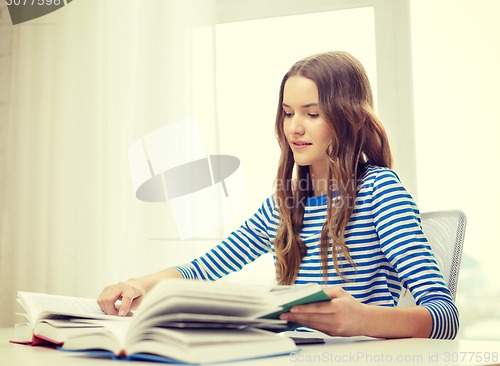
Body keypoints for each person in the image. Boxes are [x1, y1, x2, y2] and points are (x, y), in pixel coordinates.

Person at [98, 51, 458, 339]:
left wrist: (361, 320)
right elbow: (204, 268)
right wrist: (139, 285)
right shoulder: (285, 203)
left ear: (351, 119)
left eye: (312, 113)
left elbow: (444, 315)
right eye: (287, 114)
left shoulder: (380, 191)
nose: (294, 128)